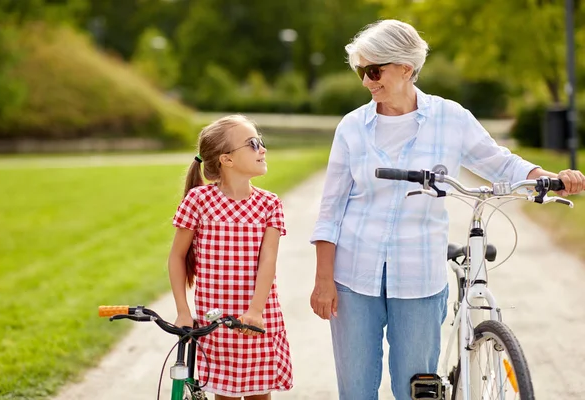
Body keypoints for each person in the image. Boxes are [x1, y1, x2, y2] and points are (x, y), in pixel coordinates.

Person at [309, 19, 585, 400]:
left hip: (419, 276)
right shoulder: (352, 127)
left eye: (374, 71)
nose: (366, 81)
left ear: (406, 68)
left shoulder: (450, 118)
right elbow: (330, 210)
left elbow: (499, 162)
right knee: (356, 390)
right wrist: (324, 279)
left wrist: (550, 176)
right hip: (354, 276)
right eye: (361, 71)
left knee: (417, 388)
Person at [168, 115, 293, 400]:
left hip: (258, 317)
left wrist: (256, 311)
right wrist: (183, 310)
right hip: (217, 321)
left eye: (260, 142)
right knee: (225, 395)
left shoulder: (269, 204)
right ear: (227, 159)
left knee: (260, 394)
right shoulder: (199, 201)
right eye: (252, 144)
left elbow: (268, 261)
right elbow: (177, 257)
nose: (262, 149)